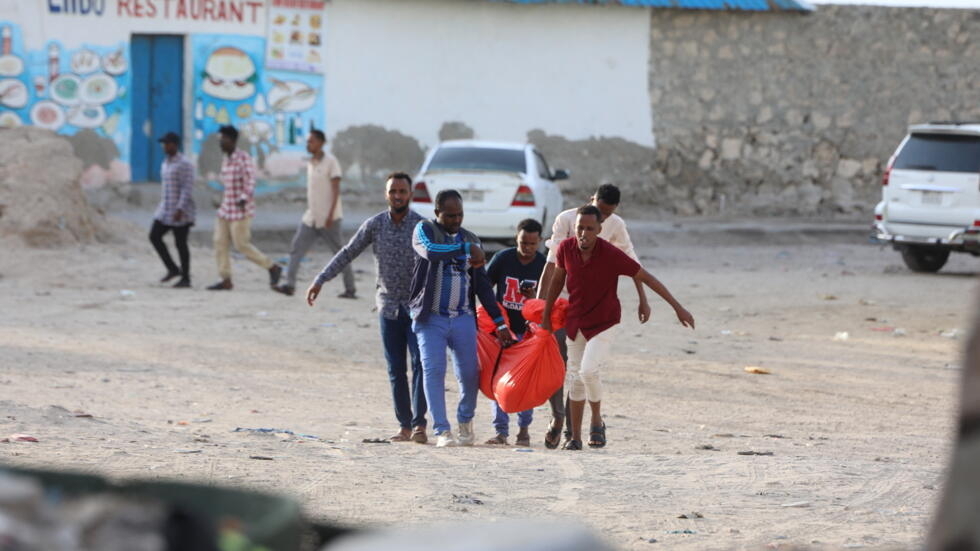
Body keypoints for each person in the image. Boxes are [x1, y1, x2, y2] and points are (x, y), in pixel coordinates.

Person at [540, 205, 695, 451]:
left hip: (605, 321)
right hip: (576, 321)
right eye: (580, 228)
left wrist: (677, 307)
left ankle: (597, 420)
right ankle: (575, 438)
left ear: (600, 230)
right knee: (575, 377)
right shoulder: (566, 249)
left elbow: (646, 277)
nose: (584, 233)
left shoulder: (610, 254)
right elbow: (557, 281)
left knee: (588, 371)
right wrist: (546, 316)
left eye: (590, 229)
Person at [306, 173, 428, 443]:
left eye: (402, 191)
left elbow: (441, 259)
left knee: (420, 365)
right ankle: (404, 426)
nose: (397, 196)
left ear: (410, 194)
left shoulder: (422, 227)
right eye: (393, 191)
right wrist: (321, 279)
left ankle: (420, 425)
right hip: (387, 308)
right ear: (386, 194)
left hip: (417, 308)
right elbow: (348, 252)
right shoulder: (375, 225)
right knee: (396, 369)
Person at [536, 183, 650, 449]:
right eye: (599, 209)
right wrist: (540, 305)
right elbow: (551, 264)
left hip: (592, 304)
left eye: (607, 214)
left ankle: (573, 431)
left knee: (580, 370)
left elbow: (632, 262)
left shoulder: (615, 225)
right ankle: (557, 417)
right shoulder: (566, 219)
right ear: (591, 200)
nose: (602, 217)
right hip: (562, 300)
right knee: (558, 363)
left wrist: (643, 298)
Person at [410, 189, 514, 448]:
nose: (456, 220)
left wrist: (499, 322)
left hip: (463, 318)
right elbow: (432, 252)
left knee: (469, 374)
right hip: (430, 317)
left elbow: (482, 287)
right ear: (437, 213)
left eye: (460, 215)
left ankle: (465, 421)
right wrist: (466, 249)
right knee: (434, 371)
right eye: (450, 215)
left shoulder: (471, 238)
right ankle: (442, 431)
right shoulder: (424, 230)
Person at [483, 218, 546, 447]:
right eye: (522, 242)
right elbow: (485, 288)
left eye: (532, 243)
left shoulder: (543, 264)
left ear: (539, 241)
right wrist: (495, 322)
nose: (527, 248)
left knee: (524, 383)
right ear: (516, 238)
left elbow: (548, 301)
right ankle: (501, 432)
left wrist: (533, 299)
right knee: (498, 381)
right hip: (503, 331)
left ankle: (524, 429)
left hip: (529, 333)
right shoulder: (503, 258)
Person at [275, 129, 356, 298]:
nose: (308, 144)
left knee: (339, 254)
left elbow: (335, 191)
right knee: (296, 248)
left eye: (311, 141)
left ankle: (350, 288)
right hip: (311, 217)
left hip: (330, 218)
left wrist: (329, 215)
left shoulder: (331, 162)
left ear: (320, 142)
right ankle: (290, 285)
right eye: (307, 141)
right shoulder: (311, 163)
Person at [206, 125, 282, 291]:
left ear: (232, 140)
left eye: (223, 140)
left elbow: (250, 181)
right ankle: (225, 278)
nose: (220, 144)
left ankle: (272, 267)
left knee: (241, 245)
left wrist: (243, 198)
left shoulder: (243, 158)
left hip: (241, 210)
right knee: (219, 242)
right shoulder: (226, 159)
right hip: (226, 209)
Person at [149, 132, 195, 288]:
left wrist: (180, 208)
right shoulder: (166, 162)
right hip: (165, 209)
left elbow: (187, 188)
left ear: (175, 145)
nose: (165, 147)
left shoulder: (185, 164)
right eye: (164, 144)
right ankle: (173, 268)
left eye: (167, 144)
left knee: (181, 243)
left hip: (180, 211)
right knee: (154, 236)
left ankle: (186, 277)